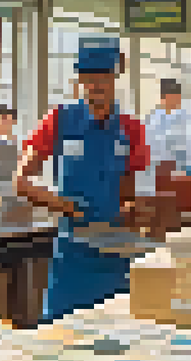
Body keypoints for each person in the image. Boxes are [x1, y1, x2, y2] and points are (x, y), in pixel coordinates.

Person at [14, 38, 150, 323]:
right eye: (88, 79)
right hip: (73, 256)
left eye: (103, 78)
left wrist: (133, 212)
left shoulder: (131, 129)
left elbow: (130, 193)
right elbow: (22, 181)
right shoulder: (59, 119)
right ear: (79, 81)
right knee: (61, 335)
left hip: (115, 255)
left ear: (115, 78)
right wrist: (65, 206)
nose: (96, 85)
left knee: (117, 334)